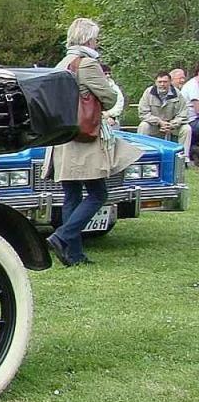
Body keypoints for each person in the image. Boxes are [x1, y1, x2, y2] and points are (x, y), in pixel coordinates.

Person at [44, 18, 142, 267]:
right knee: (98, 193)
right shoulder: (87, 64)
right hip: (83, 138)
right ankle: (62, 236)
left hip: (64, 137)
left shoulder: (62, 63)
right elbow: (109, 98)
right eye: (96, 38)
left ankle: (73, 254)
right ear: (88, 39)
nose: (97, 42)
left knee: (72, 196)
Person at [137, 70, 193, 162]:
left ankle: (183, 159)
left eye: (165, 82)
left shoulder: (177, 94)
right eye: (160, 82)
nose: (162, 84)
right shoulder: (148, 93)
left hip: (172, 126)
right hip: (154, 124)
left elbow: (183, 114)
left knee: (187, 129)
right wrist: (159, 122)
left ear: (170, 82)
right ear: (156, 82)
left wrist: (172, 124)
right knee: (143, 126)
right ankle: (141, 155)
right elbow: (143, 113)